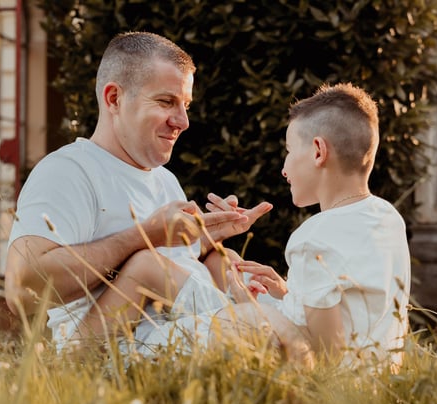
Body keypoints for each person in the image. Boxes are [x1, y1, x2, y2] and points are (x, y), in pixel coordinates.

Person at [80, 82, 411, 370]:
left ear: (318, 151)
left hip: (323, 376)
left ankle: (74, 357)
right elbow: (358, 310)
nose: (283, 167)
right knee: (237, 267)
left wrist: (244, 305)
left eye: (288, 150)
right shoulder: (387, 217)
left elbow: (326, 356)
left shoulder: (314, 237)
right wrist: (288, 294)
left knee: (149, 271)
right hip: (377, 372)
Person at [4, 31, 271, 353]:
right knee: (269, 333)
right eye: (165, 101)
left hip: (178, 337)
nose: (183, 121)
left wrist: (203, 240)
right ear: (114, 98)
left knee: (277, 318)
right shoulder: (68, 171)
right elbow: (22, 291)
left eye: (185, 105)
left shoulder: (165, 180)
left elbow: (168, 266)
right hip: (108, 356)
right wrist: (145, 235)